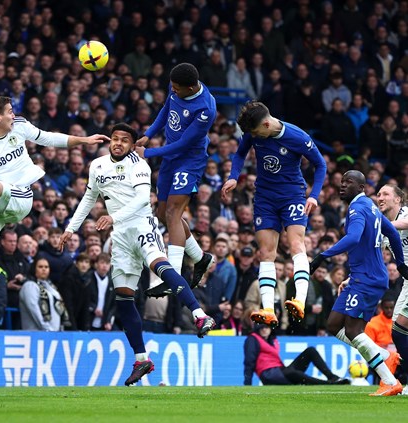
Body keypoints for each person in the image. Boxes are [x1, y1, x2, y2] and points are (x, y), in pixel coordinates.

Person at [0, 96, 107, 347]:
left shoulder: (20, 126)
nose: (12, 113)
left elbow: (49, 138)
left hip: (19, 197)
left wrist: (83, 140)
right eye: (8, 111)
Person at [59, 123, 215, 386]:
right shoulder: (97, 166)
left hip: (142, 224)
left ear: (132, 145)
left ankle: (200, 316)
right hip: (119, 236)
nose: (118, 144)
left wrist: (112, 216)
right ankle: (142, 359)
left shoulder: (139, 165)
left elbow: (143, 199)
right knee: (123, 297)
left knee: (161, 267)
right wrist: (70, 228)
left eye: (125, 140)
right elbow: (88, 199)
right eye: (115, 139)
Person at [221, 101, 327, 328]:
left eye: (257, 132)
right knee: (266, 252)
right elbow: (240, 154)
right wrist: (233, 175)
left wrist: (313, 195)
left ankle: (299, 300)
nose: (254, 136)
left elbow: (321, 165)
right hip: (265, 198)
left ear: (267, 124)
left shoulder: (297, 137)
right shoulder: (254, 132)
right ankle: (268, 308)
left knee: (296, 244)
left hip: (292, 196)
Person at [310, 170, 408, 396]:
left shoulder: (358, 208)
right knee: (334, 324)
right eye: (342, 182)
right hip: (359, 277)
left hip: (367, 279)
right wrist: (401, 265)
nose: (342, 185)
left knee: (354, 330)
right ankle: (384, 355)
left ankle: (389, 380)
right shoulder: (370, 207)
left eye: (349, 182)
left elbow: (353, 238)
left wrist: (322, 256)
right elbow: (392, 233)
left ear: (361, 187)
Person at [135, 63, 216, 297]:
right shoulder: (178, 87)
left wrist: (148, 153)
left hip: (189, 161)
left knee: (172, 213)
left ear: (190, 88)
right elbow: (166, 111)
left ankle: (174, 276)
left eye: (177, 88)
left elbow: (184, 144)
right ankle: (201, 258)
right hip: (170, 158)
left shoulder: (206, 109)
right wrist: (148, 135)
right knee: (163, 214)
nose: (173, 91)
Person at [376, 183, 408, 394]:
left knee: (399, 329)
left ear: (398, 199)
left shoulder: (405, 214)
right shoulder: (385, 228)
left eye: (385, 193)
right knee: (399, 331)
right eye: (378, 194)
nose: (380, 197)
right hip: (407, 281)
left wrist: (382, 225)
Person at [243, 324, 349, 386]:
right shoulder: (253, 339)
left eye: (267, 327)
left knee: (310, 351)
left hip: (280, 371)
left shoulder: (271, 340)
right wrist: (247, 383)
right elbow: (249, 361)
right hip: (269, 374)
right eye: (262, 327)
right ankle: (328, 384)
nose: (265, 329)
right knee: (295, 374)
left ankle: (332, 377)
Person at [19, 257, 67, 331]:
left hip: (54, 335)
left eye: (46, 267)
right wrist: (47, 329)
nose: (44, 269)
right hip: (35, 334)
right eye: (40, 267)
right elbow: (34, 310)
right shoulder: (29, 286)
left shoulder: (51, 287)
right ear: (34, 268)